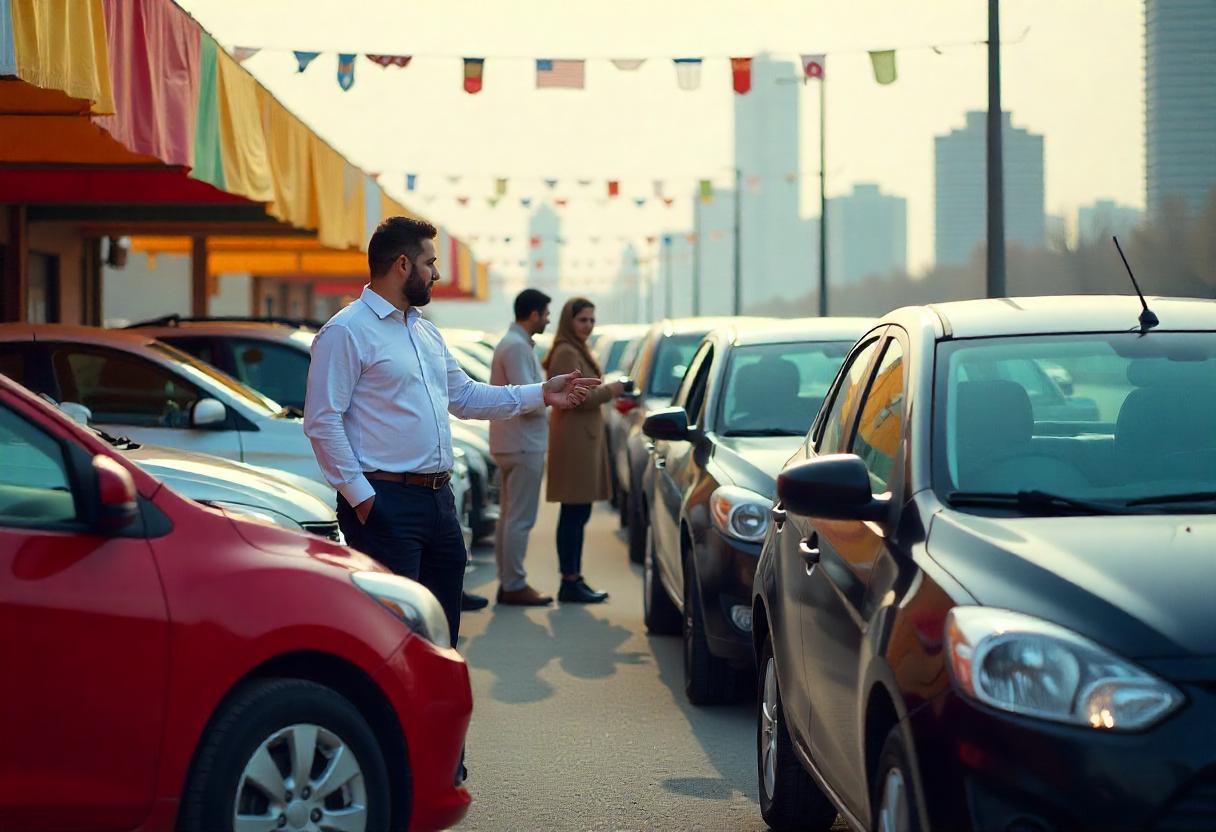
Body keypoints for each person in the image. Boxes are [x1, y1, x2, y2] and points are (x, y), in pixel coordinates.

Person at [303, 217, 599, 643]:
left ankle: (434, 711)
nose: (437, 273)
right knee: (392, 637)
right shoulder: (346, 331)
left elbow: (466, 397)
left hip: (438, 503)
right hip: (385, 504)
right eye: (430, 262)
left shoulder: (425, 331)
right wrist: (363, 499)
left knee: (442, 634)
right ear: (402, 265)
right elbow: (322, 421)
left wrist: (542, 393)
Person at [542, 297, 625, 603]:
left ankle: (574, 577)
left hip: (583, 438)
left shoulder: (575, 347)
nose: (588, 326)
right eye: (582, 320)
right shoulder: (566, 351)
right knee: (574, 513)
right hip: (574, 441)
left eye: (591, 320)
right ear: (569, 321)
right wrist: (611, 390)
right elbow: (577, 397)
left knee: (579, 512)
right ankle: (569, 580)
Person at [489, 288, 555, 606]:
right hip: (522, 443)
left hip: (514, 442)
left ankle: (509, 582)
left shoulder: (515, 344)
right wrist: (553, 400)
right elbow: (525, 400)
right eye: (545, 314)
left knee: (509, 516)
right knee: (519, 518)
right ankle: (514, 584)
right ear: (533, 314)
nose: (547, 320)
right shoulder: (516, 347)